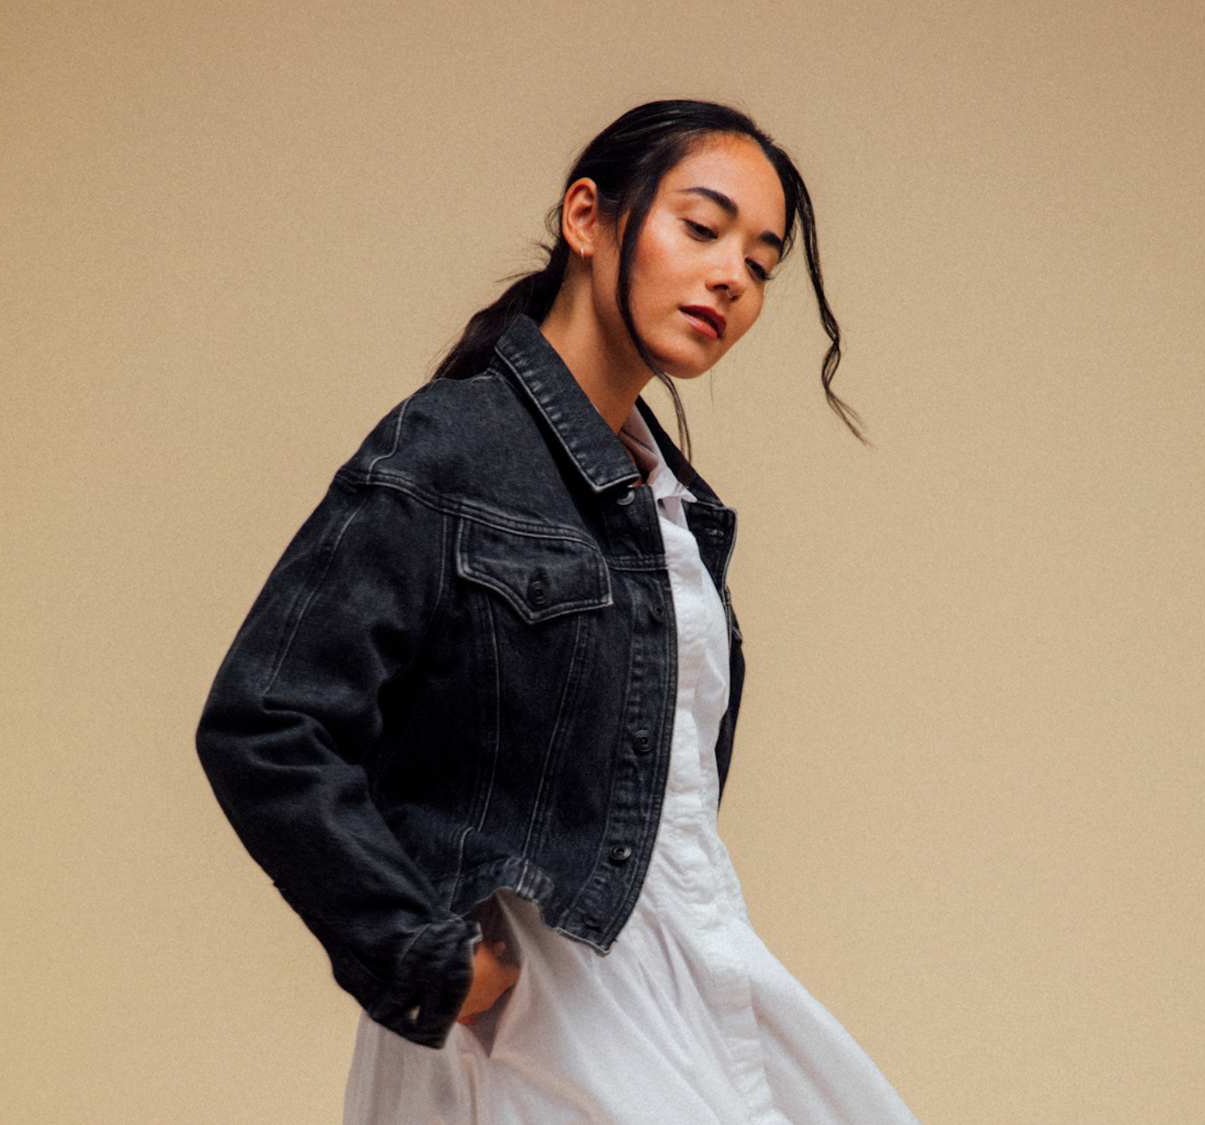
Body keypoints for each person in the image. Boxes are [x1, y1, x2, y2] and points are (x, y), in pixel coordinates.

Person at [197, 100, 919, 1125]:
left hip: (688, 966)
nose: (731, 279)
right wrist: (422, 953)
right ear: (588, 218)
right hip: (540, 1020)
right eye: (702, 228)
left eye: (760, 264)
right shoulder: (450, 449)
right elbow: (266, 720)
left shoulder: (669, 502)